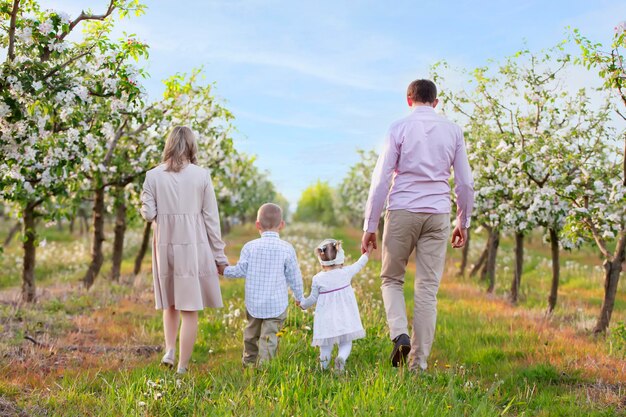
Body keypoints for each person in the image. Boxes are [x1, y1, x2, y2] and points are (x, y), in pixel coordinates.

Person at [361, 79, 474, 372]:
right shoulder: (453, 131)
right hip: (437, 214)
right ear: (435, 102)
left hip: (402, 210)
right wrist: (463, 220)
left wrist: (370, 225)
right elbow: (465, 183)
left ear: (409, 101)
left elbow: (381, 179)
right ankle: (418, 364)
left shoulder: (398, 128)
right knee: (427, 290)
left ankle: (399, 333)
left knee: (391, 279)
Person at [140, 126, 228, 375]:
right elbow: (211, 219)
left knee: (170, 304)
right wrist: (219, 257)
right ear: (191, 146)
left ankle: (169, 349)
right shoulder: (201, 176)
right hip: (193, 243)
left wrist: (145, 200)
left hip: (164, 243)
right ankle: (182, 367)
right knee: (189, 308)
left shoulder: (152, 176)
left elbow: (149, 214)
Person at [221, 203, 304, 367]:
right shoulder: (287, 249)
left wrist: (224, 271)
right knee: (269, 337)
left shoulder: (250, 247)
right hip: (276, 304)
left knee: (251, 333)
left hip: (254, 303)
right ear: (282, 225)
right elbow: (294, 276)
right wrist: (299, 297)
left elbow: (240, 270)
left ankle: (249, 361)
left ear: (257, 225)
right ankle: (265, 368)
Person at [299, 239, 371, 372]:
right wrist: (367, 253)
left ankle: (323, 368)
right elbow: (359, 264)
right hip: (345, 315)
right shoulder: (346, 272)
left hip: (326, 318)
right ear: (340, 259)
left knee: (325, 345)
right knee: (346, 342)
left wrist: (303, 304)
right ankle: (341, 357)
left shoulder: (318, 278)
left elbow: (313, 298)